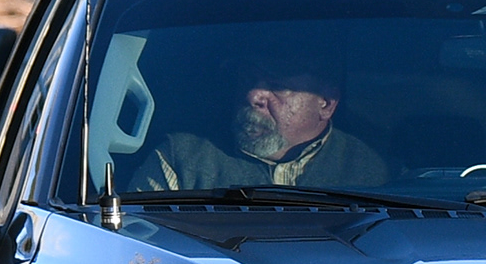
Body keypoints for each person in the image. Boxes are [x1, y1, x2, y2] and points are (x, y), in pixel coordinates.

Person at [135, 43, 390, 192]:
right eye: (247, 80)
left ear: (326, 103)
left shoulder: (376, 171)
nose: (253, 94)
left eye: (277, 85)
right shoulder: (180, 159)